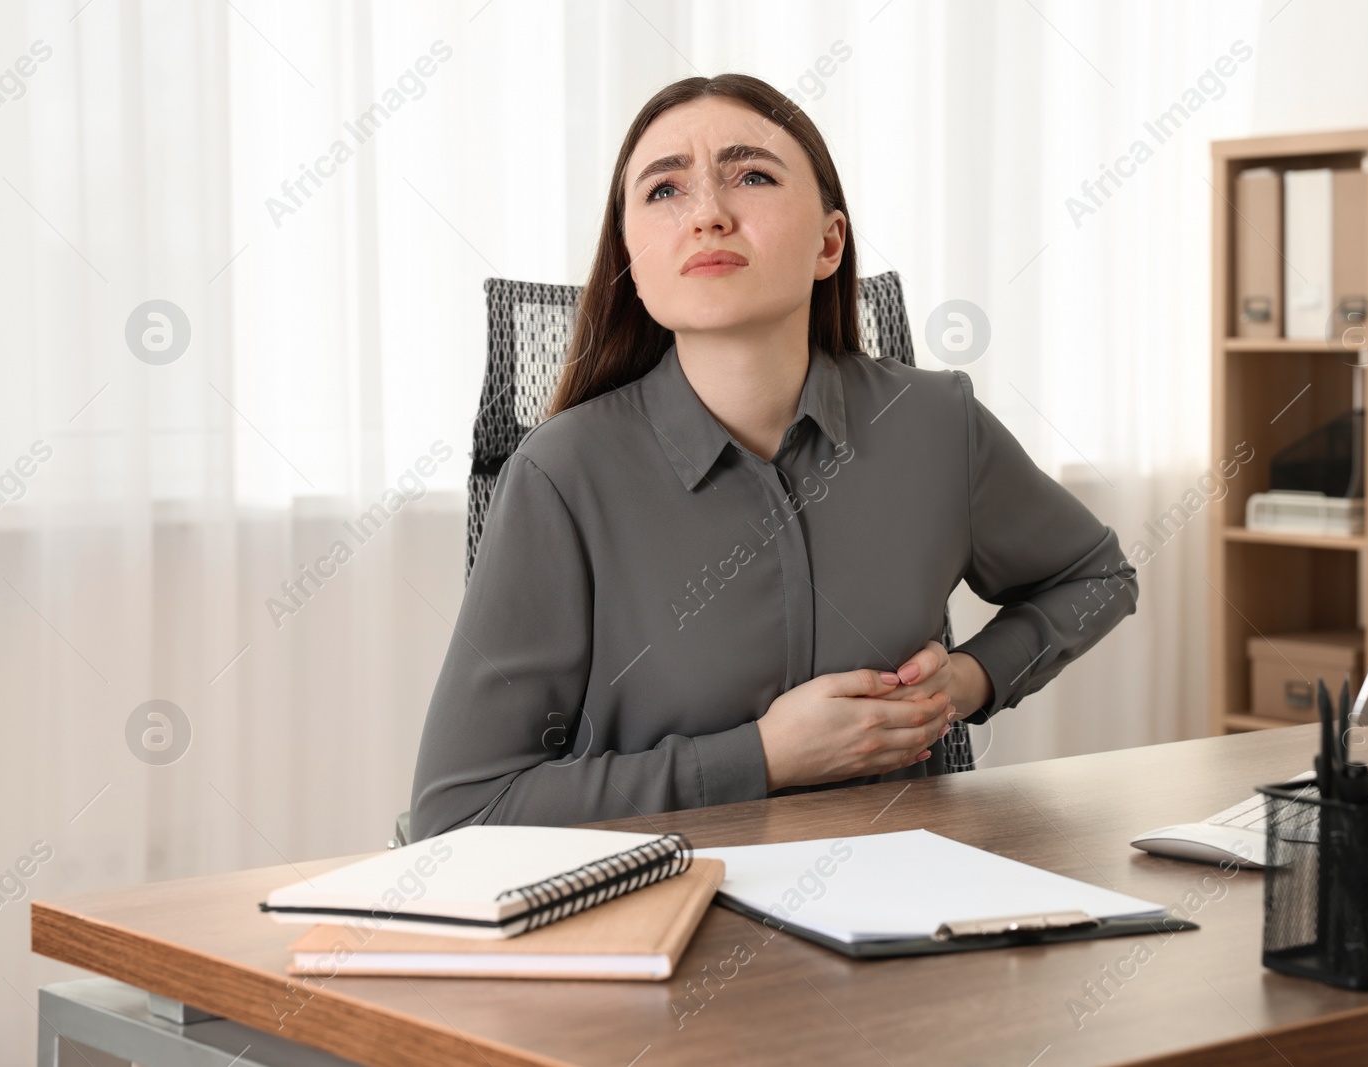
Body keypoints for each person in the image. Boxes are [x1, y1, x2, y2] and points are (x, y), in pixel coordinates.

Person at [410, 72, 1136, 834]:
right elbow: (460, 814)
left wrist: (970, 680)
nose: (709, 215)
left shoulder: (934, 422)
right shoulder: (561, 474)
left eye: (750, 175)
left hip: (907, 913)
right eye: (665, 191)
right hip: (668, 920)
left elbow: (1096, 575)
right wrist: (763, 755)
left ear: (828, 243)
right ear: (631, 255)